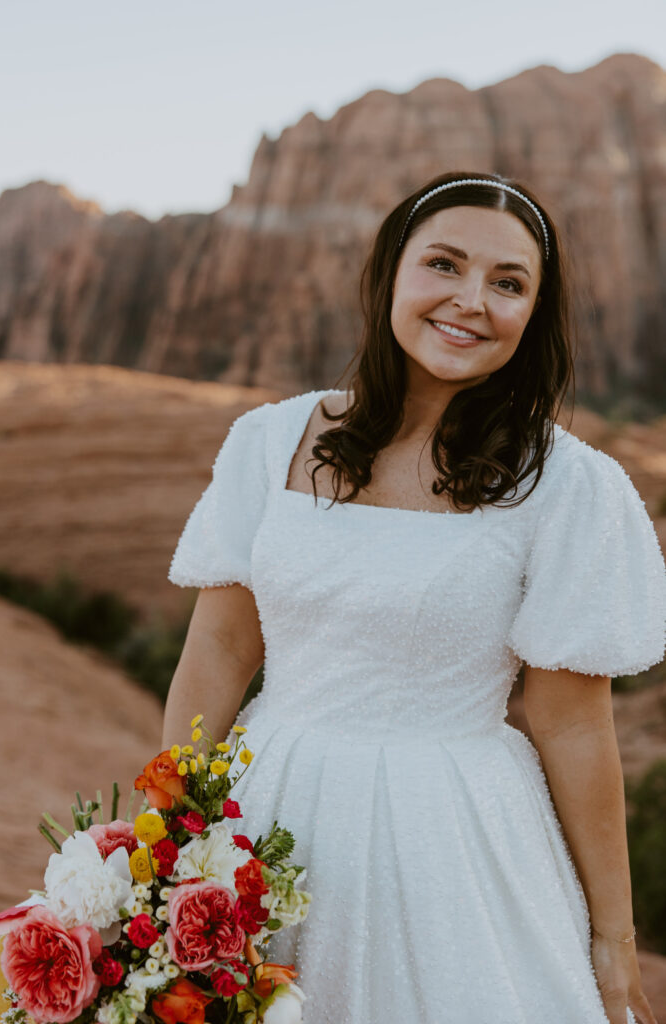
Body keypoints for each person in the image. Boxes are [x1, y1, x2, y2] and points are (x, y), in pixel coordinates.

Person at [162, 171, 666, 1024]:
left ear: (533, 314)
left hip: (455, 843)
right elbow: (219, 651)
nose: (472, 301)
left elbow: (572, 721)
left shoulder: (571, 487)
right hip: (265, 807)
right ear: (390, 274)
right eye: (444, 264)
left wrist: (612, 941)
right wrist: (167, 839)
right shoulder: (267, 440)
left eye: (508, 284)